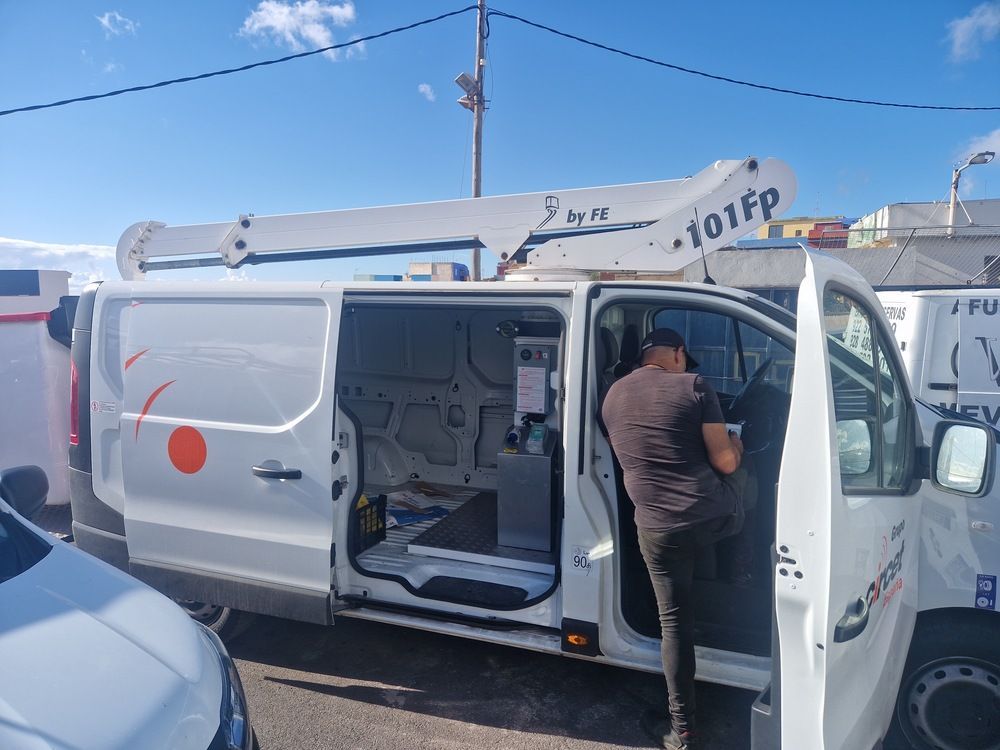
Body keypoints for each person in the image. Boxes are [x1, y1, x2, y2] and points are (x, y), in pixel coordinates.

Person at [600, 327, 750, 750]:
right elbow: (722, 462)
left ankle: (681, 731)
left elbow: (632, 449)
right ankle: (747, 574)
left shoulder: (610, 396)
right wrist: (737, 445)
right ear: (679, 353)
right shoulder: (695, 385)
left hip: (656, 528)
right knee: (749, 479)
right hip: (713, 518)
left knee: (675, 624)